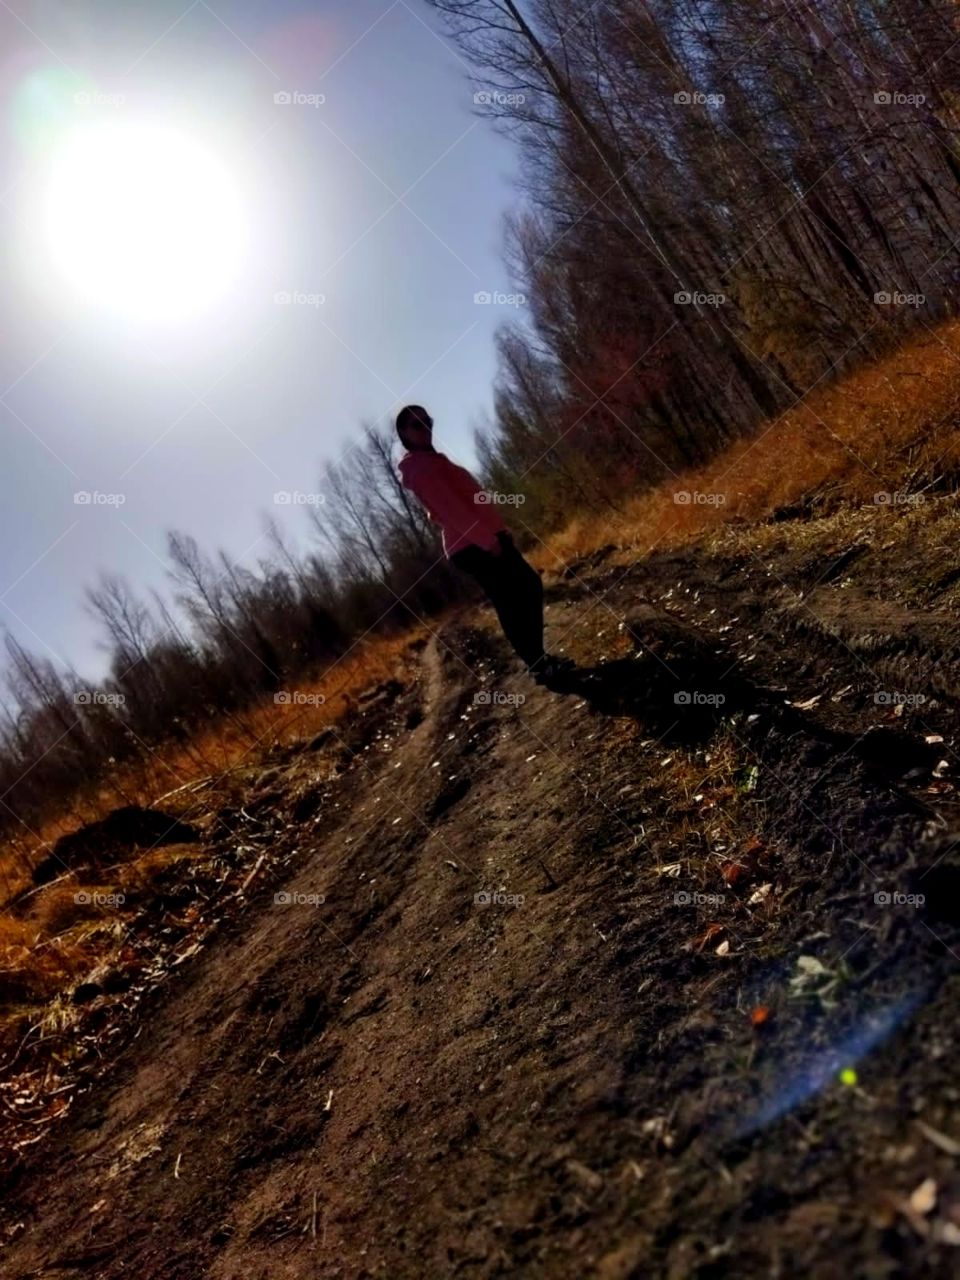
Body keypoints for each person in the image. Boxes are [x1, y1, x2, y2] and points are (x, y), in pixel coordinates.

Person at [395, 404, 573, 685]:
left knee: (521, 593)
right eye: (417, 424)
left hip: (480, 541)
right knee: (518, 594)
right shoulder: (423, 469)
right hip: (474, 546)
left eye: (428, 420)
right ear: (404, 433)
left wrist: (499, 531)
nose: (426, 427)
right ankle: (539, 666)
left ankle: (539, 661)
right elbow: (452, 511)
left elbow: (446, 509)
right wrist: (488, 540)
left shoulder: (430, 462)